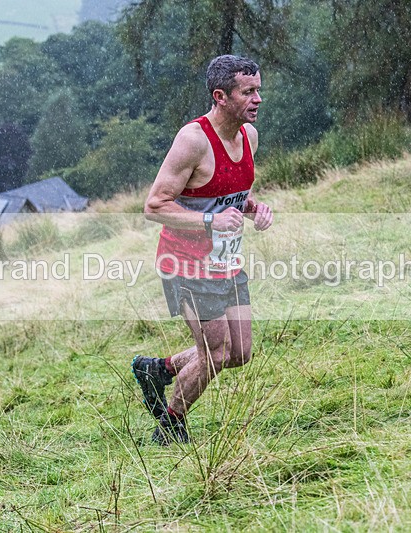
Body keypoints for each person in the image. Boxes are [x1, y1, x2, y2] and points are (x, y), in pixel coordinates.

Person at [132, 55, 273, 445]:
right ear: (220, 96)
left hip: (225, 261)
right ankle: (170, 426)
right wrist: (211, 222)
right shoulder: (193, 140)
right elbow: (154, 205)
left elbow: (228, 194)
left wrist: (253, 207)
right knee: (214, 351)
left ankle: (157, 369)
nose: (258, 98)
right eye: (248, 92)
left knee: (239, 351)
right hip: (185, 263)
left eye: (258, 89)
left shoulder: (249, 137)